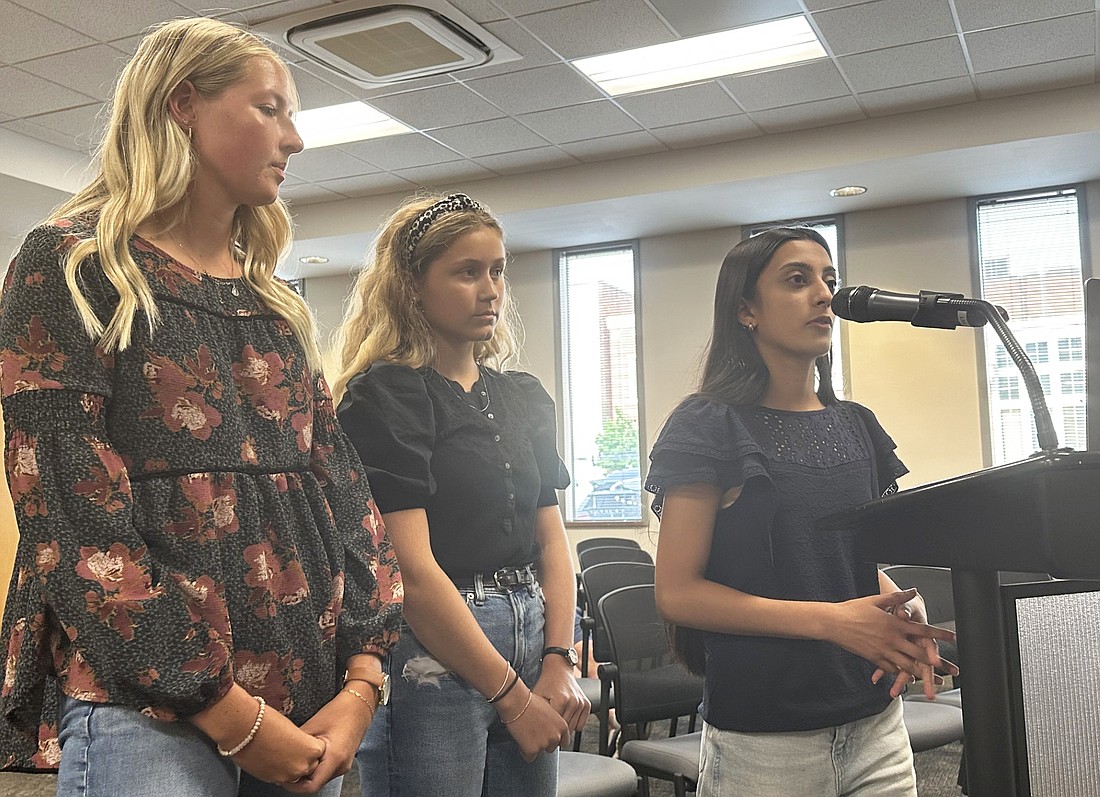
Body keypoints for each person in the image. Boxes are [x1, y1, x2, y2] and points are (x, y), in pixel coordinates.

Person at [0, 18, 402, 796]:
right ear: (184, 104)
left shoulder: (272, 303)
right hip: (153, 710)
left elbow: (346, 494)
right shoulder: (74, 264)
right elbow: (72, 518)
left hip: (310, 699)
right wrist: (228, 715)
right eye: (271, 108)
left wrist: (362, 681)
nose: (297, 137)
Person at [646, 227, 959, 796]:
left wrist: (896, 612)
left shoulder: (854, 423)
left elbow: (844, 558)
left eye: (829, 280)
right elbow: (679, 593)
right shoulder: (707, 425)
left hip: (877, 726)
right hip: (766, 741)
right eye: (798, 280)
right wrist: (833, 621)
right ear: (746, 310)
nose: (824, 295)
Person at [332, 192, 590, 796]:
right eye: (467, 272)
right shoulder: (387, 397)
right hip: (435, 645)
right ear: (412, 287)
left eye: (497, 270)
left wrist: (560, 656)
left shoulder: (522, 396)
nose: (491, 289)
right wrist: (512, 698)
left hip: (529, 624)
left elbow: (551, 539)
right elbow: (413, 575)